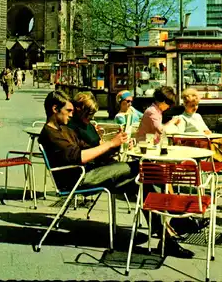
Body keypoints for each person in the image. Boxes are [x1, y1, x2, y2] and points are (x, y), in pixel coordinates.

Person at [38, 90, 195, 258]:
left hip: (92, 171)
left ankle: (167, 238)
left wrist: (115, 145)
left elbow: (86, 148)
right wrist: (110, 144)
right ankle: (177, 217)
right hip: (79, 177)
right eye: (68, 111)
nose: (71, 114)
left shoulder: (63, 129)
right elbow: (80, 157)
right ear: (55, 109)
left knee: (144, 180)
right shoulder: (51, 134)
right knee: (145, 168)